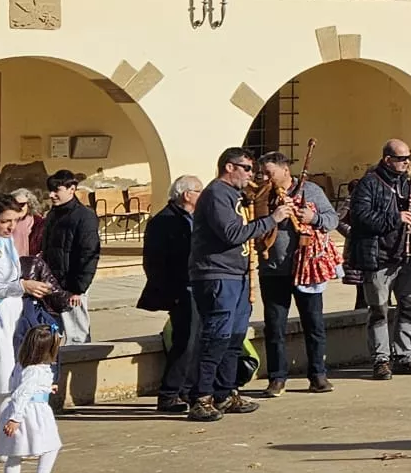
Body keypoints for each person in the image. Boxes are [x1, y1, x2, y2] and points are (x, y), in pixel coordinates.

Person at [187, 148, 277, 422]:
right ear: (229, 167)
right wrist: (272, 220)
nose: (251, 175)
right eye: (247, 168)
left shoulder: (236, 195)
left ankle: (225, 393)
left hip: (237, 274)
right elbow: (231, 233)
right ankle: (201, 397)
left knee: (235, 338)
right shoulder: (216, 194)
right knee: (216, 337)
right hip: (216, 274)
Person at [254, 152, 338, 396]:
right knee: (275, 327)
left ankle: (318, 375)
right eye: (263, 173)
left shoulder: (310, 190)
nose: (265, 177)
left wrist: (313, 218)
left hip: (307, 268)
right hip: (273, 270)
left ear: (285, 171)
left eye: (269, 173)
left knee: (314, 324)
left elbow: (332, 219)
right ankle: (277, 378)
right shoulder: (261, 194)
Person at [348, 140, 411, 380]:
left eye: (408, 158)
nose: (406, 163)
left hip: (406, 255)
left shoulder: (409, 182)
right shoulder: (369, 183)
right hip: (379, 256)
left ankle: (404, 355)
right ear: (387, 159)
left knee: (410, 305)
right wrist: (395, 217)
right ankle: (381, 360)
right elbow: (360, 217)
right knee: (379, 310)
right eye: (401, 159)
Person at [137, 177, 202, 412]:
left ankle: (187, 390)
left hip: (196, 286)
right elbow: (154, 263)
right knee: (185, 341)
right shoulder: (164, 221)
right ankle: (169, 393)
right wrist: (170, 291)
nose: (202, 195)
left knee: (196, 341)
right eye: (198, 191)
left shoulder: (193, 218)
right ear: (186, 194)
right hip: (180, 289)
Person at [0, 196, 54, 418]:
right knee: (2, 379)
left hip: (13, 318)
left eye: (15, 220)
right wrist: (20, 286)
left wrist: (25, 287)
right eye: (5, 221)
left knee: (11, 382)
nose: (11, 227)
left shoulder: (5, 241)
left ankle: (9, 447)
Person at [0, 325, 63, 473]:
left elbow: (20, 387)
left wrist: (46, 388)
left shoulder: (21, 365)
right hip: (32, 412)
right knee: (52, 444)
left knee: (14, 453)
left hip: (19, 410)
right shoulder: (36, 370)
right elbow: (23, 393)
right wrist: (15, 418)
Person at [38, 172, 99, 345]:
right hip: (52, 284)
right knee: (51, 334)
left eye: (56, 190)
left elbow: (88, 254)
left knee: (76, 335)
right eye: (50, 190)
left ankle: (80, 370)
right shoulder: (52, 215)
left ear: (72, 189)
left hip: (72, 287)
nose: (51, 195)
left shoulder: (85, 216)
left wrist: (78, 289)